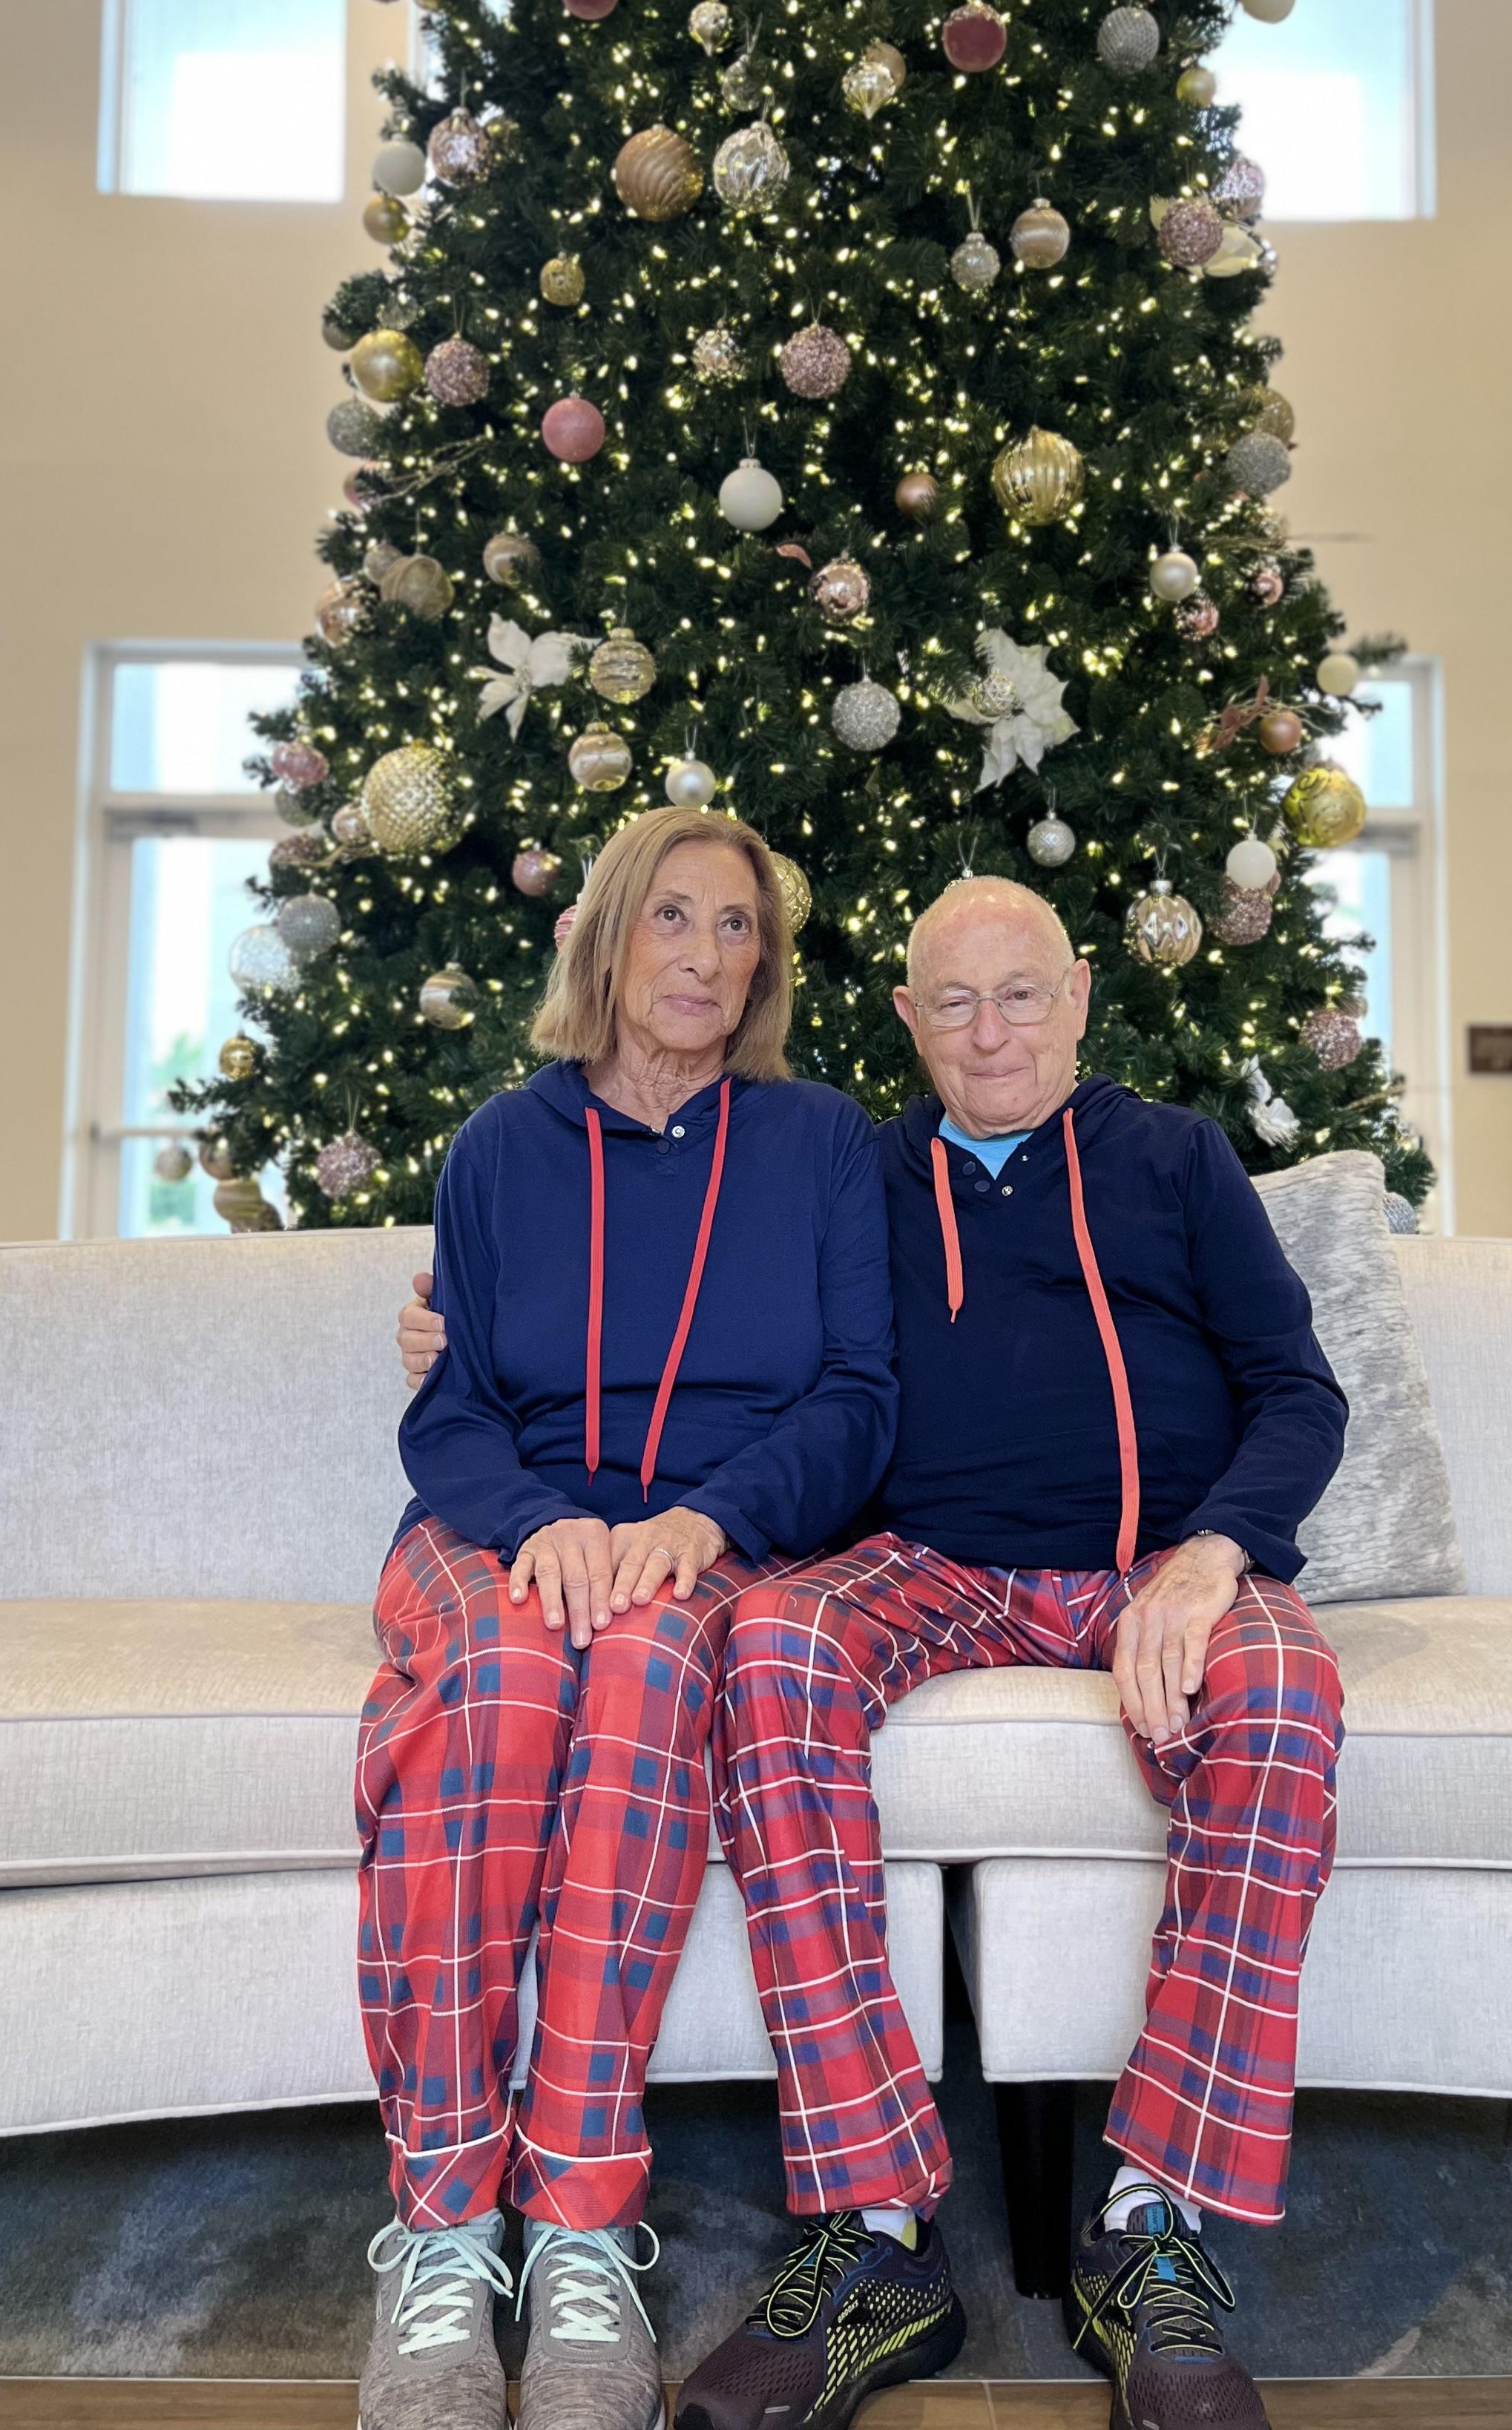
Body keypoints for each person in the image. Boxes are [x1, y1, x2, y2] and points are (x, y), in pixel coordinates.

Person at [401, 871, 1348, 2430]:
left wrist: (1214, 1559)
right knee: (768, 1643)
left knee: (1289, 1688)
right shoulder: (856, 1167)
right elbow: (710, 1309)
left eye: (1025, 992)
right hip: (927, 1569)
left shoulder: (1178, 1159)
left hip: (1158, 1565)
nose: (992, 1032)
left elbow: (1298, 1391)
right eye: (955, 1000)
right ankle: (875, 2233)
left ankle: (1152, 2227)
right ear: (907, 1018)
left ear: (1083, 993)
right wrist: (450, 1326)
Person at [357, 804, 896, 2430]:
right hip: (499, 1525)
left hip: (700, 1539)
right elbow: (446, 1415)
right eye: (675, 918)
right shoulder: (500, 1148)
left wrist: (702, 1521)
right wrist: (545, 1525)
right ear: (607, 937)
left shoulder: (820, 1146)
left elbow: (860, 1397)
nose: (708, 957)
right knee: (513, 1693)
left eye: (739, 930)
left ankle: (581, 2226)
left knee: (658, 1667)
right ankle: (448, 2225)